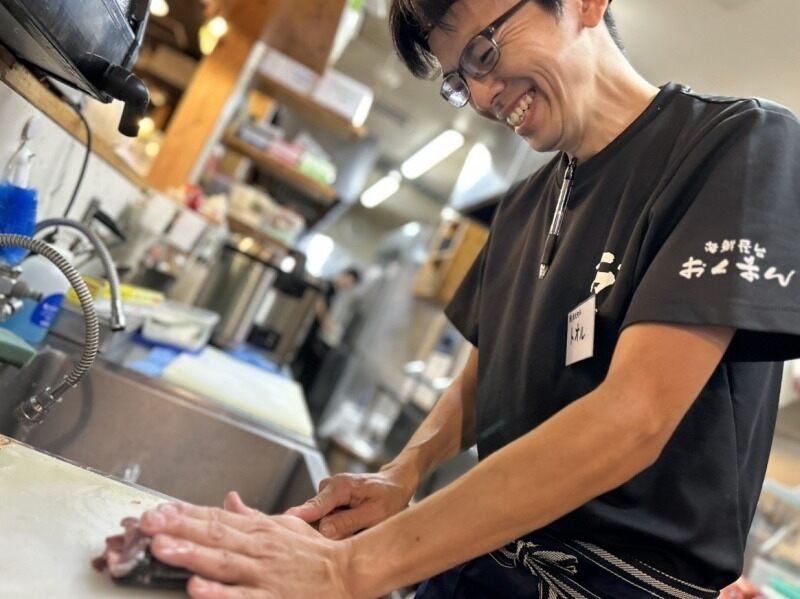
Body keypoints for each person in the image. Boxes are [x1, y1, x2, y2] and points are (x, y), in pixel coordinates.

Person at [134, 1, 800, 597]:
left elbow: (634, 418)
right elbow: (482, 382)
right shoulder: (523, 205)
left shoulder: (736, 144)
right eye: (459, 78)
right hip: (483, 560)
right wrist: (403, 472)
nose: (481, 95)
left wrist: (350, 568)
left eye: (483, 51)